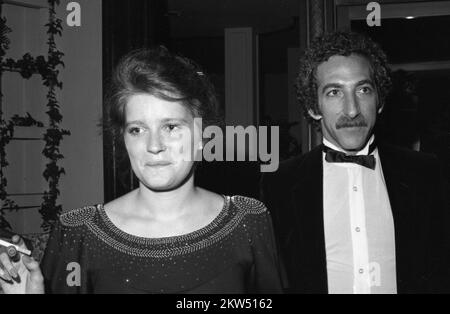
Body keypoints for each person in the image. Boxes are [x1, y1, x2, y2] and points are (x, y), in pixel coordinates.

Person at [0, 47, 283, 294]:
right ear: (123, 138)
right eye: (137, 129)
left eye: (170, 127)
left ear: (201, 134)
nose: (154, 145)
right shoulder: (78, 235)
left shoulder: (249, 222)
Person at [261, 31, 450, 294]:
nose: (352, 110)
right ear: (313, 107)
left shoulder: (424, 172)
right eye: (334, 92)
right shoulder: (278, 184)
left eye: (363, 90)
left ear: (379, 100)